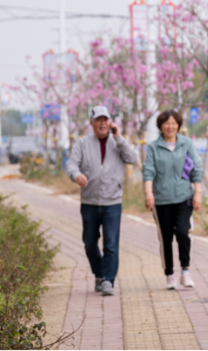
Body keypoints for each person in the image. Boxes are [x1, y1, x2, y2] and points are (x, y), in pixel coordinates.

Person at [65, 106, 138, 297]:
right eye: (98, 119)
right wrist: (76, 174)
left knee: (111, 244)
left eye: (105, 119)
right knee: (89, 242)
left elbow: (132, 158)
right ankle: (99, 274)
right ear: (91, 123)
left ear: (111, 122)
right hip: (89, 201)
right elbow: (71, 164)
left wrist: (120, 138)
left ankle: (107, 280)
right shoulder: (82, 143)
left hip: (112, 201)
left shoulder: (118, 142)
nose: (102, 123)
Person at [143, 110, 203, 290]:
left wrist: (198, 192)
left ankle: (185, 271)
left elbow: (197, 168)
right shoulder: (154, 147)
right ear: (161, 126)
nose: (170, 126)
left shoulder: (186, 143)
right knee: (166, 238)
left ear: (178, 125)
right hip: (161, 199)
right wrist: (148, 193)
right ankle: (169, 274)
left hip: (184, 197)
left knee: (183, 232)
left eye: (174, 123)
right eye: (167, 123)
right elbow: (148, 171)